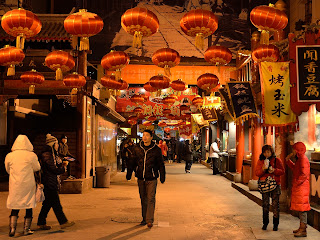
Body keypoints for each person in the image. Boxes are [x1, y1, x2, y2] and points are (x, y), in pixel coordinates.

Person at [126, 129, 166, 228]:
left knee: (150, 198)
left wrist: (162, 175)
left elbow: (161, 164)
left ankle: (149, 220)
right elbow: (132, 161)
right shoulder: (137, 148)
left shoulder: (156, 149)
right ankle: (144, 218)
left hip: (152, 178)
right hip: (140, 177)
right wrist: (129, 173)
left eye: (147, 135)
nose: (145, 137)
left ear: (151, 137)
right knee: (143, 198)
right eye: (143, 135)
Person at [5, 135, 41, 237]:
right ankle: (26, 229)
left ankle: (12, 229)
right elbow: (37, 167)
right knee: (28, 205)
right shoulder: (31, 155)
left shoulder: (10, 156)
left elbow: (8, 169)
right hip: (28, 184)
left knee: (15, 205)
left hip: (15, 184)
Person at [37, 134, 75, 230]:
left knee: (47, 204)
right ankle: (63, 222)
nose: (58, 145)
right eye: (56, 143)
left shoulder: (52, 154)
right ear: (52, 144)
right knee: (56, 204)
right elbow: (53, 169)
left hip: (51, 181)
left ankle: (41, 222)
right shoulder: (47, 154)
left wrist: (62, 163)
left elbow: (54, 166)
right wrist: (63, 167)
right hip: (49, 182)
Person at [255, 145, 285, 231]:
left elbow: (282, 171)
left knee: (275, 205)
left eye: (268, 152)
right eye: (264, 152)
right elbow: (257, 173)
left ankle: (275, 224)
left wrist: (274, 170)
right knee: (265, 204)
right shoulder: (260, 161)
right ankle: (265, 223)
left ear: (271, 152)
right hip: (264, 185)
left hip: (275, 184)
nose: (266, 154)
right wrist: (263, 170)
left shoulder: (277, 160)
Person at [285, 142, 311, 237]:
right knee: (301, 208)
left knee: (303, 208)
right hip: (300, 186)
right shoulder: (300, 159)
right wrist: (288, 161)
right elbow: (295, 168)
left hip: (302, 187)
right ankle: (301, 227)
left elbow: (304, 174)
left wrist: (296, 182)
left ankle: (303, 229)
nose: (292, 151)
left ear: (298, 150)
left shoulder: (303, 159)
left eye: (294, 149)